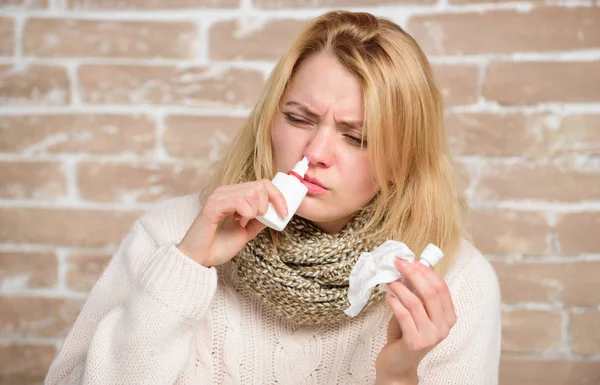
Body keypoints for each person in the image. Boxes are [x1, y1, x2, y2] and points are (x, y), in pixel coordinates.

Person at [45, 10, 501, 385]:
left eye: (356, 138)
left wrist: (398, 376)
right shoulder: (170, 232)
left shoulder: (457, 282)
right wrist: (184, 271)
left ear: (404, 158)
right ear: (270, 117)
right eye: (299, 119)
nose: (315, 153)